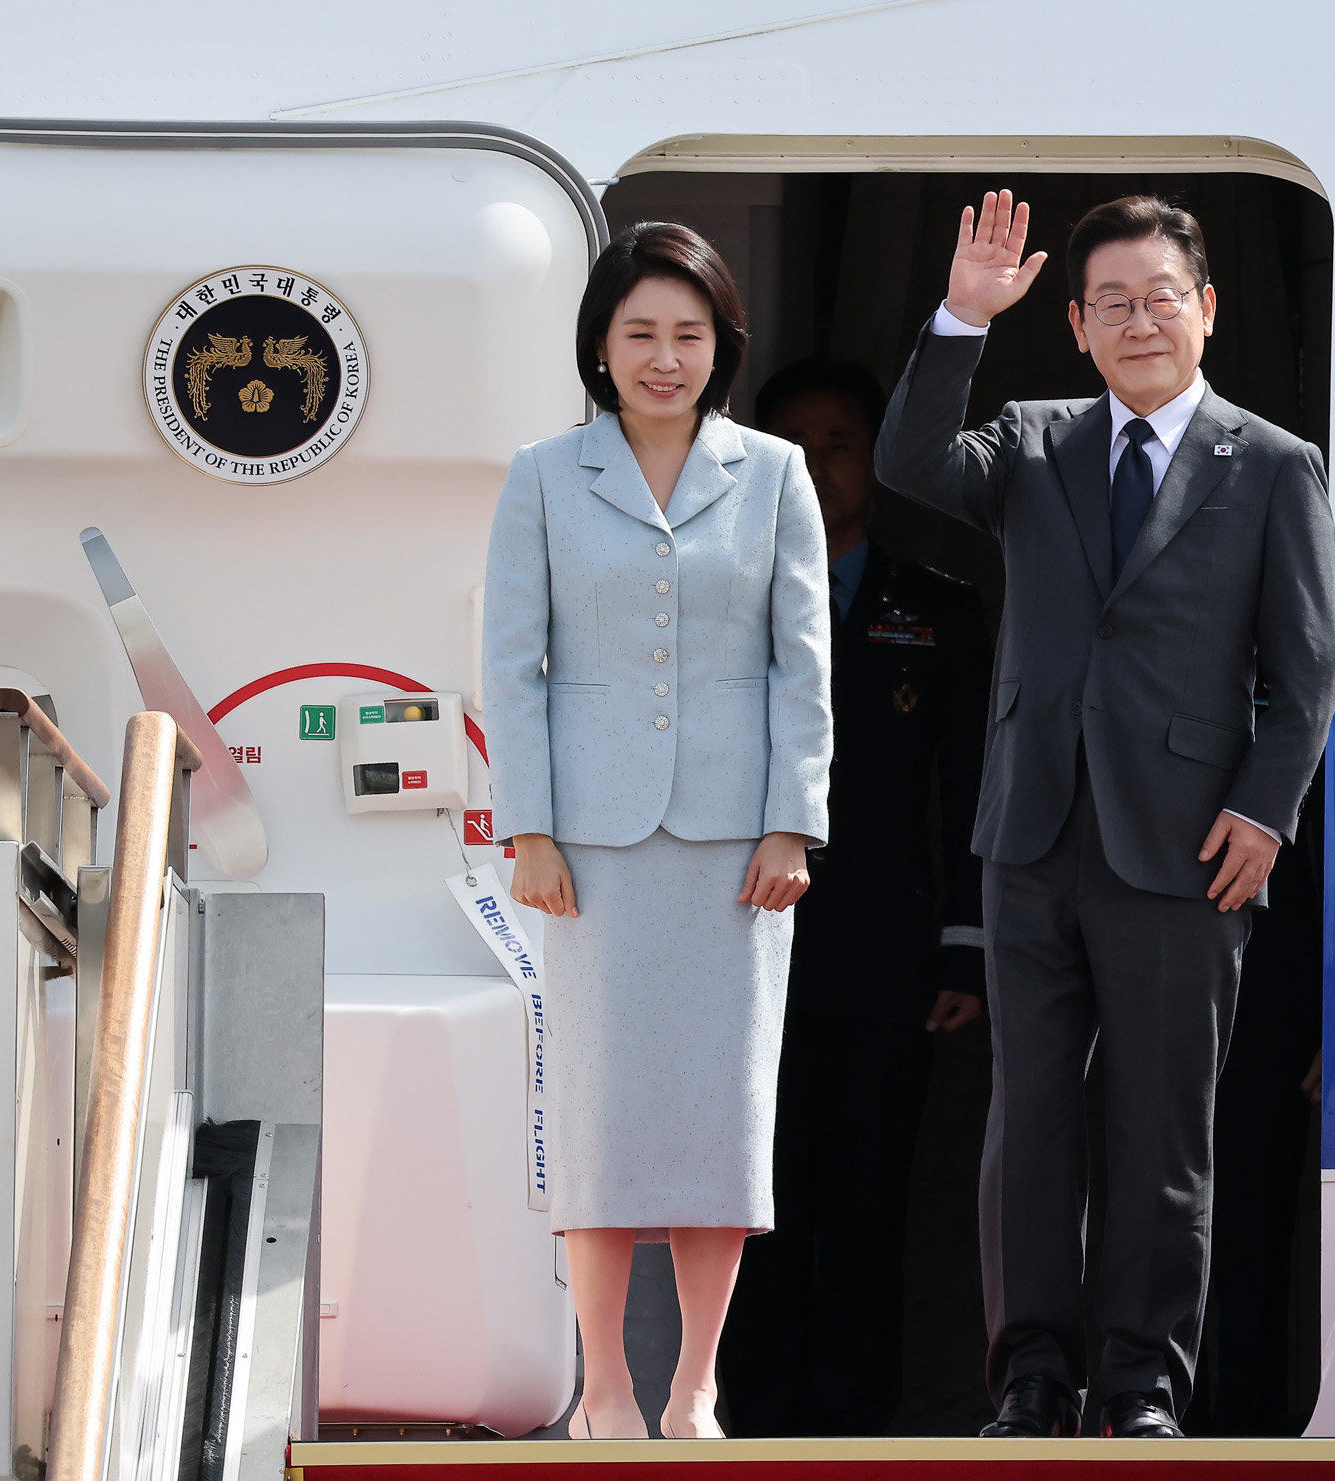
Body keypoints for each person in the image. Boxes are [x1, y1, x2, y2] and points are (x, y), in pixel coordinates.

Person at [872, 192, 1335, 1439]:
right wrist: (961, 321)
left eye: (1162, 295)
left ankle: (1141, 1384)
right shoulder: (1031, 440)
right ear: (1075, 326)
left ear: (1206, 310)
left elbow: (1307, 673)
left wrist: (1265, 813)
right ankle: (1029, 1377)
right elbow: (908, 464)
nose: (1140, 319)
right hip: (1029, 834)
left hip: (1188, 845)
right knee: (1024, 1123)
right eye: (1112, 303)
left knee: (1160, 1130)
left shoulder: (1272, 464)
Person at [481, 222, 833, 1441]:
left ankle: (693, 1384)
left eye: (687, 334)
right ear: (599, 345)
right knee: (601, 1108)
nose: (664, 356)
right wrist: (528, 826)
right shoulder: (540, 473)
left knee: (718, 1114)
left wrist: (793, 819)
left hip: (737, 845)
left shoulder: (776, 473)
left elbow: (804, 666)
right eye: (639, 333)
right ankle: (607, 1386)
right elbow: (510, 668)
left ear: (720, 342)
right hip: (590, 844)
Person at [720, 359, 992, 1436]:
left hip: (886, 962)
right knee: (750, 1207)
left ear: (875, 461)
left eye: (840, 441)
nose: (819, 464)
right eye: (796, 442)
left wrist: (965, 944)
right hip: (737, 954)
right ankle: (751, 1424)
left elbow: (974, 785)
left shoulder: (937, 608)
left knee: (868, 1210)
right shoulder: (712, 596)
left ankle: (854, 1429)